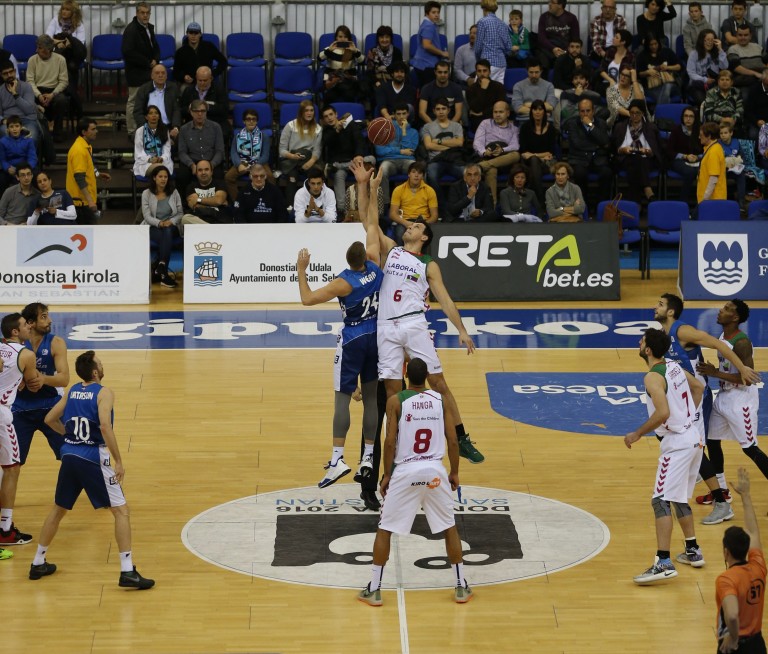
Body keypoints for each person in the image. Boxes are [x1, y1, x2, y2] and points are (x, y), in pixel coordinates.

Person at [355, 165, 485, 464]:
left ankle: (461, 436)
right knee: (391, 388)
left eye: (414, 227)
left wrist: (462, 330)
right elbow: (370, 223)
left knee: (438, 383)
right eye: (409, 225)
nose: (409, 227)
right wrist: (371, 189)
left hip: (414, 323)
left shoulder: (428, 264)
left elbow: (445, 299)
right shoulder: (392, 251)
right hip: (386, 325)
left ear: (424, 237)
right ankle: (399, 443)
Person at [29, 350, 155, 590]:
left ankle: (37, 562)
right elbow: (105, 426)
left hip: (69, 454)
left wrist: (69, 435)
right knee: (121, 512)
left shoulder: (72, 390)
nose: (102, 365)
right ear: (96, 371)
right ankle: (127, 571)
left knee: (58, 509)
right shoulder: (104, 392)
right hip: (93, 457)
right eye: (101, 363)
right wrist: (118, 460)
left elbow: (49, 419)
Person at [356, 357, 472, 607]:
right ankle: (461, 586)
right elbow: (453, 441)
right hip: (433, 472)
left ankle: (374, 589)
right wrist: (454, 472)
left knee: (385, 528)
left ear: (405, 373)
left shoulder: (395, 401)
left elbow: (389, 442)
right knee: (449, 527)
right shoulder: (440, 401)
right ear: (427, 376)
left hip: (406, 472)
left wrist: (386, 475)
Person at [296, 180, 382, 489]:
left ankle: (337, 459)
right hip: (378, 338)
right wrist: (370, 189)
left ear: (348, 261)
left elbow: (307, 299)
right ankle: (369, 457)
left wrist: (301, 269)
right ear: (367, 256)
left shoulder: (343, 282)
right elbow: (371, 223)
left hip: (354, 338)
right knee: (371, 400)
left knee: (341, 401)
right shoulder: (377, 266)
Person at [653, 293, 761, 526]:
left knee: (697, 448)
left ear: (671, 312)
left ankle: (722, 503)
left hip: (701, 398)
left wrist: (741, 367)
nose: (655, 307)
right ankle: (719, 492)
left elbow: (716, 343)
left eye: (660, 304)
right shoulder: (665, 336)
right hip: (688, 398)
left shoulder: (682, 331)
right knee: (703, 444)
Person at [625, 328, 705, 585]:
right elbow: (699, 387)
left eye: (642, 341)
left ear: (647, 350)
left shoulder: (652, 377)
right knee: (677, 497)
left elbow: (662, 413)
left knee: (660, 500)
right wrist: (689, 417)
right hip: (693, 438)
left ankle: (663, 561)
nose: (639, 343)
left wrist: (637, 434)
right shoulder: (672, 365)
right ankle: (692, 550)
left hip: (678, 444)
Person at [696, 300, 768, 505]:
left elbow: (748, 378)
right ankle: (721, 490)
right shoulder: (722, 336)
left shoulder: (742, 342)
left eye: (727, 309)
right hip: (725, 394)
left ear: (735, 318)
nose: (721, 310)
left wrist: (715, 372)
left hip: (741, 400)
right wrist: (717, 372)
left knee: (750, 448)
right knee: (711, 440)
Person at [0, 312, 41, 549]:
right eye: (26, 325)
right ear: (15, 331)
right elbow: (32, 383)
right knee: (12, 468)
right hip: (3, 413)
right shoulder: (27, 354)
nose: (30, 327)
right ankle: (5, 529)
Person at [11, 303, 69, 468]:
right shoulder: (16, 346)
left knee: (70, 454)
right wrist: (18, 382)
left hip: (50, 407)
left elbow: (64, 378)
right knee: (13, 463)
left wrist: (43, 379)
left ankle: (78, 488)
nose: (49, 320)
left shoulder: (56, 342)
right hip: (20, 409)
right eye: (44, 317)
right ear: (30, 323)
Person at [716, 467, 766, 654]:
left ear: (726, 552)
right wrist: (746, 496)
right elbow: (753, 532)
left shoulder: (727, 579)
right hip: (758, 644)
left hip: (735, 645)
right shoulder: (758, 566)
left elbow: (732, 614)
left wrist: (733, 639)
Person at [321, 105, 375, 214]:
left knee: (371, 159)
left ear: (336, 114)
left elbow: (359, 140)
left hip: (354, 162)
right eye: (326, 116)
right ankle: (341, 210)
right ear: (323, 120)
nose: (329, 118)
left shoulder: (350, 125)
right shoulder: (326, 131)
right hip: (340, 163)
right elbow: (325, 142)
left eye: (331, 114)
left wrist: (359, 155)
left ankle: (335, 167)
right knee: (339, 175)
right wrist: (336, 130)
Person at [563, 98, 612, 209]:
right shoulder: (572, 124)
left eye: (588, 111)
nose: (585, 114)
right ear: (579, 112)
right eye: (582, 111)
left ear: (593, 111)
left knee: (607, 173)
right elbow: (577, 144)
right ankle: (582, 206)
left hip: (598, 159)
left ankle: (602, 206)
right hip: (579, 159)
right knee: (580, 174)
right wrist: (597, 146)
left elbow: (605, 141)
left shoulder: (601, 123)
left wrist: (591, 126)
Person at [612, 99, 663, 203]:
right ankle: (647, 189)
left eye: (637, 113)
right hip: (624, 159)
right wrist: (622, 150)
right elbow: (612, 148)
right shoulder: (620, 127)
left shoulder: (651, 128)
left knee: (638, 160)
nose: (634, 115)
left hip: (647, 161)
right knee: (635, 159)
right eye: (632, 113)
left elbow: (658, 149)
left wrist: (649, 152)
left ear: (643, 113)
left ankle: (636, 202)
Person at [122, 1, 160, 137]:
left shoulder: (149, 27)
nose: (145, 15)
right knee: (133, 101)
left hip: (149, 70)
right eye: (142, 13)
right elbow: (128, 52)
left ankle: (147, 130)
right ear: (137, 13)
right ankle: (132, 131)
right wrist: (148, 62)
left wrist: (156, 59)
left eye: (147, 13)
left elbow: (155, 46)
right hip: (136, 72)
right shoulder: (131, 30)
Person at [141, 165, 182, 288]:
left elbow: (180, 214)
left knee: (168, 231)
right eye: (160, 176)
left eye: (165, 177)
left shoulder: (174, 192)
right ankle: (164, 273)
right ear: (154, 178)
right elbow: (147, 216)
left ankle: (160, 266)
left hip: (172, 227)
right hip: (153, 227)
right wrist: (160, 223)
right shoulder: (146, 194)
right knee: (166, 234)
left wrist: (171, 221)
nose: (163, 179)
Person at [421, 98, 465, 211]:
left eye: (443, 109)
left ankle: (463, 206)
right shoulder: (427, 127)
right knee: (431, 175)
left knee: (468, 174)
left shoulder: (456, 126)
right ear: (434, 111)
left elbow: (459, 143)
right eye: (438, 109)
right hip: (436, 160)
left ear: (449, 110)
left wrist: (438, 141)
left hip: (454, 160)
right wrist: (449, 146)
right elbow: (428, 146)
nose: (441, 111)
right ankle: (443, 207)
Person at [473, 100, 520, 204]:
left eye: (501, 112)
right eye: (495, 112)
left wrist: (502, 150)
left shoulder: (514, 129)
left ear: (508, 113)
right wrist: (484, 152)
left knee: (516, 155)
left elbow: (515, 146)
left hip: (504, 160)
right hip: (488, 155)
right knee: (491, 170)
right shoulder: (485, 123)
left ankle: (483, 166)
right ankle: (492, 205)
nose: (497, 115)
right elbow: (477, 142)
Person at [65, 118, 111, 224]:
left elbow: (88, 166)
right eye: (93, 129)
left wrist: (98, 174)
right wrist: (90, 200)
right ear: (84, 132)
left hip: (84, 202)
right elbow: (79, 177)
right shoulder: (79, 150)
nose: (96, 131)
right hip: (80, 203)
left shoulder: (86, 146)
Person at [177, 98, 225, 196]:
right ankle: (184, 204)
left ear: (206, 112)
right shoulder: (184, 129)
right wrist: (191, 165)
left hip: (211, 161)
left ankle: (217, 202)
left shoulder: (216, 127)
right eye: (196, 111)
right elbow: (182, 152)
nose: (200, 114)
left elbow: (220, 151)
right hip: (192, 162)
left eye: (203, 111)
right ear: (191, 112)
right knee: (182, 175)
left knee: (219, 174)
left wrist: (212, 164)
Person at [278, 100, 323, 202]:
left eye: (311, 110)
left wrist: (310, 162)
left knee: (314, 174)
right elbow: (282, 150)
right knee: (292, 177)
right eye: (306, 110)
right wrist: (292, 156)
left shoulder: (318, 128)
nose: (309, 113)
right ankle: (291, 208)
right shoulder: (290, 126)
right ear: (301, 112)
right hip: (292, 158)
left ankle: (314, 206)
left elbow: (317, 150)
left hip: (308, 160)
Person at [27, 35, 69, 138]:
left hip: (54, 91)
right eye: (37, 47)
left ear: (48, 49)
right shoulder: (32, 60)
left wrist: (52, 94)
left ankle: (57, 132)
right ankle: (38, 132)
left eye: (40, 47)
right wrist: (39, 95)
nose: (37, 50)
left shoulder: (60, 59)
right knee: (27, 101)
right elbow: (29, 81)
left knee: (62, 101)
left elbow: (64, 81)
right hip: (38, 90)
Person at [225, 107, 271, 202]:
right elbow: (233, 152)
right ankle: (238, 202)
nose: (251, 121)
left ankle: (266, 201)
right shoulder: (237, 136)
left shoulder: (264, 136)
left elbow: (265, 155)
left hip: (259, 162)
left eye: (253, 119)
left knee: (270, 177)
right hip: (243, 162)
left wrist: (255, 165)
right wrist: (239, 164)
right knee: (228, 177)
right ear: (243, 121)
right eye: (248, 119)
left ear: (257, 121)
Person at [375, 104, 418, 200]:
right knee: (383, 170)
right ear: (393, 115)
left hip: (407, 161)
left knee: (417, 170)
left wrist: (404, 131)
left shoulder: (413, 132)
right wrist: (401, 151)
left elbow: (410, 150)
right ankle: (384, 204)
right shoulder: (384, 130)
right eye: (398, 114)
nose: (401, 117)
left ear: (408, 114)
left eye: (404, 113)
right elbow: (380, 151)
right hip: (389, 161)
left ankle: (416, 201)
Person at [388, 161, 438, 243]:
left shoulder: (430, 191)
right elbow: (393, 214)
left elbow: (434, 216)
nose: (416, 175)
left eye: (420, 173)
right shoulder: (398, 190)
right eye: (414, 172)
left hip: (423, 221)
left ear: (423, 176)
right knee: (400, 233)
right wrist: (406, 223)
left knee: (427, 236)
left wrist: (423, 224)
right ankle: (402, 255)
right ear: (409, 174)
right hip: (405, 221)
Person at [519, 99, 557, 204]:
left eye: (540, 109)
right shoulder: (525, 128)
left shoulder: (551, 129)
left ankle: (535, 201)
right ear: (531, 111)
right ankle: (540, 201)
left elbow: (550, 152)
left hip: (546, 163)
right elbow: (523, 151)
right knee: (534, 161)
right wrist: (539, 156)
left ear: (544, 112)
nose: (537, 112)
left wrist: (533, 155)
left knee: (534, 161)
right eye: (535, 109)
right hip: (528, 163)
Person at [46, 0, 87, 95]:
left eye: (67, 9)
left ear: (73, 12)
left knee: (71, 65)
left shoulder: (79, 24)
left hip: (73, 54)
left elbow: (80, 43)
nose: (64, 11)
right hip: (59, 52)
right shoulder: (56, 20)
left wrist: (66, 43)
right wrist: (60, 42)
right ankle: (60, 92)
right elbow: (48, 37)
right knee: (61, 61)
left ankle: (71, 92)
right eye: (63, 9)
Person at [132, 64, 182, 140]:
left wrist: (175, 127)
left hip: (168, 127)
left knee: (181, 138)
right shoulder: (143, 89)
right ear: (152, 76)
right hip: (149, 126)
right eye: (157, 73)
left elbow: (176, 110)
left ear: (166, 76)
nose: (160, 75)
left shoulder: (173, 88)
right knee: (136, 137)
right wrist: (146, 128)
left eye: (163, 73)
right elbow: (137, 112)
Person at [667, 106, 703, 206]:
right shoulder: (676, 130)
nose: (688, 119)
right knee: (690, 172)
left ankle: (703, 202)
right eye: (686, 116)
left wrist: (698, 157)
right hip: (679, 160)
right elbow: (669, 151)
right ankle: (683, 202)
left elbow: (706, 149)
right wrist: (685, 156)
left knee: (703, 170)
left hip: (696, 160)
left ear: (695, 118)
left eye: (691, 116)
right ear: (682, 118)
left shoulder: (700, 131)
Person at [318, 25, 364, 104]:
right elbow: (319, 59)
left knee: (349, 95)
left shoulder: (353, 50)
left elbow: (362, 62)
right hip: (333, 81)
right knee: (329, 96)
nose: (342, 39)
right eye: (340, 36)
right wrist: (329, 50)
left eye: (345, 37)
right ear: (336, 38)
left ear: (349, 38)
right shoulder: (330, 49)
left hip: (348, 81)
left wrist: (355, 51)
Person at [0, 59, 42, 143]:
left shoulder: (26, 86)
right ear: (1, 75)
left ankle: (30, 156)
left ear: (15, 71)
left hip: (27, 119)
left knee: (31, 138)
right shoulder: (0, 90)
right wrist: (2, 120)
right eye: (5, 73)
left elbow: (29, 110)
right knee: (6, 135)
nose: (9, 75)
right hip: (9, 121)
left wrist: (15, 94)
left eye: (11, 72)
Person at [173, 22, 227, 87]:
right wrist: (184, 77)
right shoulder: (180, 51)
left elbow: (223, 61)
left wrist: (213, 74)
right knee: (184, 91)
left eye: (196, 33)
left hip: (206, 83)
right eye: (191, 33)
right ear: (187, 34)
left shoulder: (209, 47)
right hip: (189, 85)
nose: (193, 36)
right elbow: (176, 72)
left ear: (200, 34)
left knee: (216, 93)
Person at [179, 66, 229, 134]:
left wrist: (207, 107)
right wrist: (190, 109)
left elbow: (224, 110)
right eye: (200, 80)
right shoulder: (188, 91)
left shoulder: (219, 90)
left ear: (211, 78)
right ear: (196, 78)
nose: (202, 83)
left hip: (213, 124)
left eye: (205, 80)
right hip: (193, 125)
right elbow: (181, 110)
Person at [411, 1, 450, 86]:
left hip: (422, 64)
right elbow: (427, 45)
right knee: (428, 91)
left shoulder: (426, 24)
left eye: (438, 12)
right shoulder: (429, 26)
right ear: (426, 13)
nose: (436, 15)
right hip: (427, 65)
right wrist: (442, 53)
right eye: (433, 12)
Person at [181, 159, 230, 226]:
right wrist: (214, 203)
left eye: (206, 169)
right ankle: (209, 228)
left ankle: (208, 229)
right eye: (200, 170)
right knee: (185, 219)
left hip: (218, 220)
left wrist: (198, 199)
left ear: (211, 172)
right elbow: (195, 207)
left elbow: (218, 201)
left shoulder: (220, 184)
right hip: (199, 221)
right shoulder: (191, 186)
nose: (203, 172)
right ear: (196, 173)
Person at [637, 34, 682, 106]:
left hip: (671, 85)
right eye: (651, 44)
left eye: (655, 44)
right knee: (664, 95)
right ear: (647, 45)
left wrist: (667, 68)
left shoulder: (667, 52)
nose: (654, 46)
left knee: (667, 87)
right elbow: (639, 74)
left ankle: (658, 114)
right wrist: (647, 72)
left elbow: (679, 67)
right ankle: (663, 114)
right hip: (651, 87)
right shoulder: (642, 56)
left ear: (659, 43)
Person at [536, 0, 580, 73]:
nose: (549, 4)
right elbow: (541, 38)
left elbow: (575, 39)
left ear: (560, 5)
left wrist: (565, 51)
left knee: (568, 60)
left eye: (552, 2)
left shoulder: (571, 18)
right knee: (541, 59)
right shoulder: (544, 17)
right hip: (548, 49)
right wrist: (553, 48)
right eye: (549, 2)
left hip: (565, 50)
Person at [687, 30, 729, 107]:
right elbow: (691, 73)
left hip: (714, 85)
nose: (709, 42)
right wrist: (705, 80)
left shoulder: (717, 53)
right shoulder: (694, 54)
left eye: (712, 40)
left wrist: (720, 49)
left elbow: (725, 67)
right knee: (705, 104)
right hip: (698, 85)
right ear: (701, 41)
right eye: (706, 40)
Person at [474, 0, 511, 83]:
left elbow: (478, 47)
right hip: (501, 64)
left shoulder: (482, 22)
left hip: (487, 63)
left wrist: (478, 61)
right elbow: (509, 47)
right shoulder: (503, 24)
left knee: (479, 91)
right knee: (498, 92)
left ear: (483, 8)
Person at [133, 104, 173, 179]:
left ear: (159, 116)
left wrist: (162, 158)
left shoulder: (164, 130)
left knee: (161, 169)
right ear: (146, 117)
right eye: (151, 113)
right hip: (146, 163)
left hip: (162, 162)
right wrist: (150, 159)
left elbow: (167, 149)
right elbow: (138, 152)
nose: (154, 115)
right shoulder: (140, 131)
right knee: (159, 171)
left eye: (156, 113)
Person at [465, 58, 506, 131]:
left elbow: (501, 106)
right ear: (476, 72)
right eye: (479, 71)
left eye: (485, 71)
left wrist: (482, 113)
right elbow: (475, 108)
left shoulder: (498, 86)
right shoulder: (470, 89)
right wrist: (483, 90)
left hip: (495, 118)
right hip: (478, 121)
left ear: (489, 72)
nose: (482, 74)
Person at [511, 59, 557, 123]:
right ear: (527, 71)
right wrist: (541, 110)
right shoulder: (518, 86)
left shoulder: (549, 86)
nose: (534, 75)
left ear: (541, 71)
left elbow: (550, 106)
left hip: (544, 120)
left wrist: (527, 105)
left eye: (536, 72)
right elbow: (518, 108)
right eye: (531, 72)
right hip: (525, 120)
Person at [0, 115, 37, 194]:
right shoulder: (2, 141)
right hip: (10, 169)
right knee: (1, 179)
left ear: (21, 127)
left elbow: (32, 158)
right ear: (8, 129)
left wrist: (27, 168)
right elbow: (2, 159)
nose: (14, 129)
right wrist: (7, 168)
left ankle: (38, 199)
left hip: (25, 167)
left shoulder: (28, 140)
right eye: (11, 127)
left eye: (17, 126)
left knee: (37, 175)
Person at [718, 121, 747, 209]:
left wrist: (739, 162)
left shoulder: (736, 142)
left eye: (725, 133)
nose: (723, 135)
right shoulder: (718, 144)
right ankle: (722, 201)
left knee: (741, 175)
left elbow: (742, 157)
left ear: (731, 133)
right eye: (721, 133)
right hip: (723, 170)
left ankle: (741, 200)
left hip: (735, 169)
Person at [366, 25, 404, 90]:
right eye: (381, 37)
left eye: (387, 37)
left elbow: (399, 71)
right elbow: (370, 72)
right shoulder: (372, 52)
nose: (384, 40)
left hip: (393, 82)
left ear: (390, 38)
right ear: (378, 39)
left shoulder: (397, 52)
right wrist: (376, 82)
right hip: (376, 81)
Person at [698, 120, 727, 203]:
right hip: (710, 200)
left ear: (709, 136)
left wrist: (704, 200)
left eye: (701, 135)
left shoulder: (713, 152)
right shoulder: (712, 148)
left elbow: (713, 178)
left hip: (712, 201)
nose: (699, 137)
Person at [598, 29, 635, 94]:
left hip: (622, 87)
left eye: (616, 37)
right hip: (606, 84)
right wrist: (611, 80)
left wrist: (619, 85)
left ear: (623, 42)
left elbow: (631, 77)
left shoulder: (630, 57)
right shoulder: (610, 51)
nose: (613, 38)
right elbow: (601, 70)